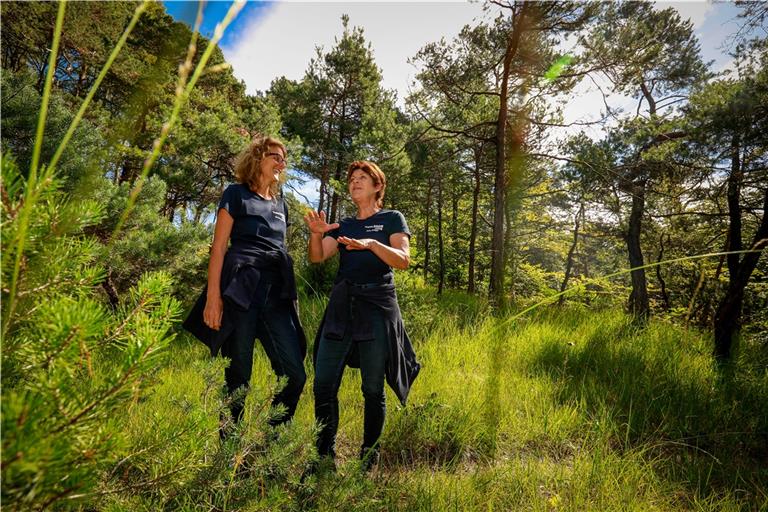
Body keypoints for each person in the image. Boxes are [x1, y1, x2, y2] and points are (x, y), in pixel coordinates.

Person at [183, 134, 306, 437]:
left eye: (284, 157)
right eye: (275, 155)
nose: (282, 161)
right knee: (238, 378)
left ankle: (268, 445)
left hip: (275, 294)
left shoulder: (281, 204)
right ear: (257, 158)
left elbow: (281, 250)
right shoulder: (236, 194)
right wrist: (214, 297)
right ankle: (230, 456)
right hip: (240, 291)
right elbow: (219, 247)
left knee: (294, 374)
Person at [304, 160, 420, 471]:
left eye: (362, 178)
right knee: (323, 383)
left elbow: (404, 259)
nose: (355, 182)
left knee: (372, 388)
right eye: (352, 178)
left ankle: (369, 458)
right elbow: (318, 257)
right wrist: (316, 234)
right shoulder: (343, 225)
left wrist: (371, 244)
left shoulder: (391, 219)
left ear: (378, 187)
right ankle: (323, 457)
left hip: (377, 307)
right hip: (343, 306)